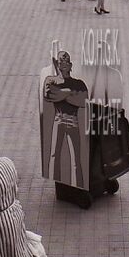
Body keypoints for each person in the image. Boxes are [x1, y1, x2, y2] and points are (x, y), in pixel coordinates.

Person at [44, 52, 88, 188]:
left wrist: (63, 93)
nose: (63, 64)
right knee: (54, 155)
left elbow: (83, 101)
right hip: (59, 118)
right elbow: (49, 95)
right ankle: (57, 185)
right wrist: (70, 92)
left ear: (70, 65)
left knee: (76, 159)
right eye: (60, 62)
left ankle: (78, 186)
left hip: (72, 120)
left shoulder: (78, 83)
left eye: (66, 62)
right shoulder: (51, 81)